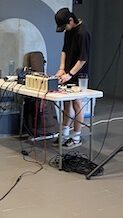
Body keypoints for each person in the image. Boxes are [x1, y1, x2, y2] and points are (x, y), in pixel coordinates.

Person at [53, 8, 91, 149]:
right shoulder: (69, 32)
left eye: (65, 26)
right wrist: (62, 68)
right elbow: (64, 50)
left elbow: (82, 59)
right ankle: (64, 134)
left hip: (79, 74)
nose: (64, 30)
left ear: (71, 20)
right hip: (68, 72)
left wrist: (70, 74)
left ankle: (76, 137)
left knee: (76, 102)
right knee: (66, 103)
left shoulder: (83, 33)